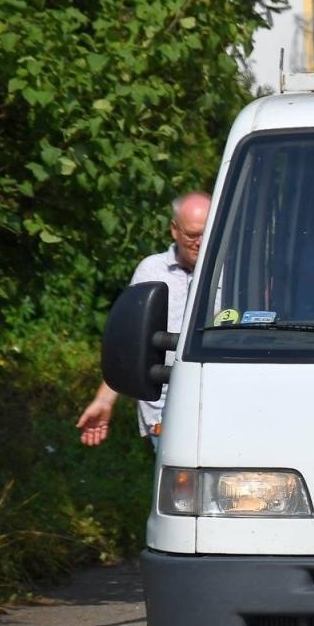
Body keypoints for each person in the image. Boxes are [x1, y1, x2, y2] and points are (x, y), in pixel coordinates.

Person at [77, 191, 211, 450]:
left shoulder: (235, 271)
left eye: (207, 233)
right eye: (192, 235)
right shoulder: (151, 270)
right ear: (174, 230)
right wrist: (104, 400)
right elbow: (131, 341)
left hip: (218, 413)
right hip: (164, 417)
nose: (200, 242)